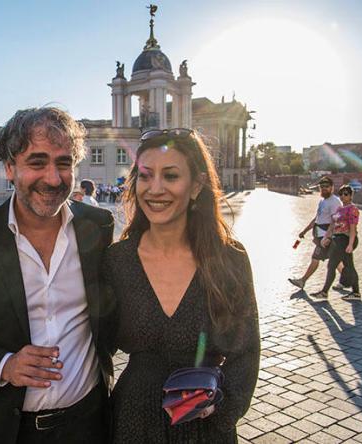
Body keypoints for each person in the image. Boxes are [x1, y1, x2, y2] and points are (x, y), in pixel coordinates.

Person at [0, 107, 115, 444]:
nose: (54, 179)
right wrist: (4, 364)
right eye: (38, 163)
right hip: (6, 429)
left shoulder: (97, 226)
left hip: (89, 422)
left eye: (64, 163)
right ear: (10, 168)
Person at [103, 128, 260, 443]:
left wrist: (223, 408)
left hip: (205, 425)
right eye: (145, 176)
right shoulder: (116, 260)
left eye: (171, 176)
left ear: (196, 186)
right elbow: (94, 346)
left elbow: (246, 350)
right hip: (133, 420)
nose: (155, 189)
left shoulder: (230, 259)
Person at [288, 176, 342, 290]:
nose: (324, 189)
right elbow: (317, 218)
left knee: (315, 258)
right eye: (322, 187)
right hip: (319, 235)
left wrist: (327, 237)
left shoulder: (335, 202)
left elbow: (335, 221)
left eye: (326, 186)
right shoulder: (323, 201)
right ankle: (348, 280)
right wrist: (305, 230)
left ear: (332, 187)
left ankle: (303, 281)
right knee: (335, 260)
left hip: (325, 237)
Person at [311, 185, 361, 301]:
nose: (343, 196)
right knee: (349, 266)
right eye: (341, 194)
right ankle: (356, 292)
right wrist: (326, 237)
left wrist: (350, 244)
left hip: (346, 239)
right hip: (337, 239)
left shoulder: (352, 209)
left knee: (332, 265)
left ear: (351, 195)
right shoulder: (339, 209)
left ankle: (324, 292)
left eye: (346, 194)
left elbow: (353, 228)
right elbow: (333, 225)